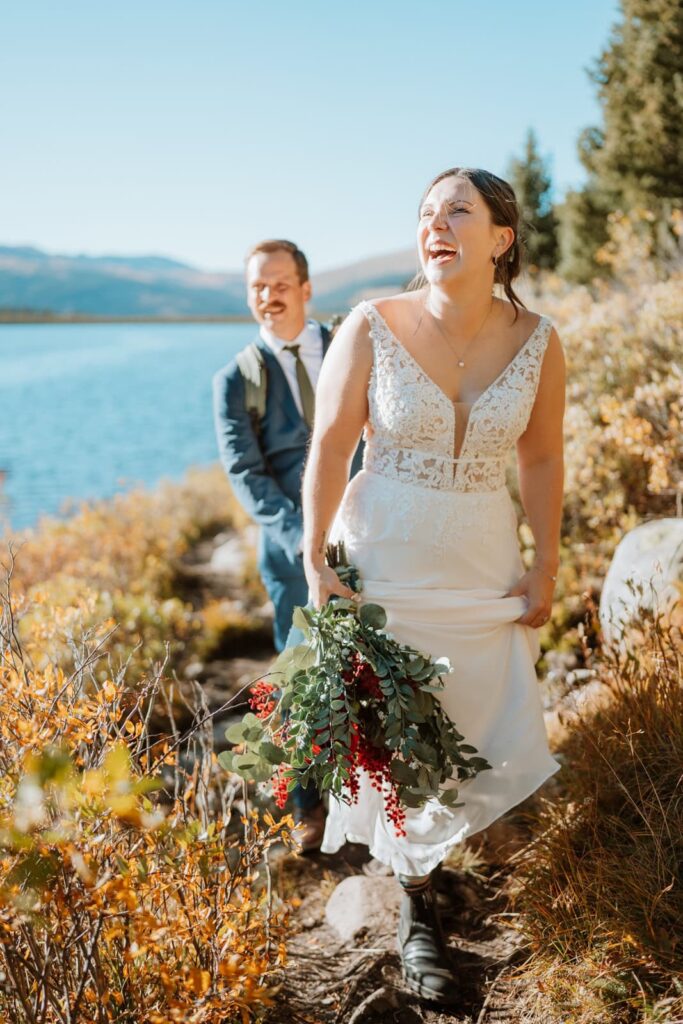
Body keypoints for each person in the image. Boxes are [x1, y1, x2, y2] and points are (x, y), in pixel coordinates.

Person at [301, 168, 565, 1004]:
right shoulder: (372, 325)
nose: (435, 225)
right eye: (425, 213)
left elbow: (541, 457)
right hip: (383, 563)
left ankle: (442, 864)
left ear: (501, 238)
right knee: (394, 729)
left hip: (481, 564)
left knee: (469, 720)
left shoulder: (540, 340)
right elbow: (331, 441)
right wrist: (314, 558)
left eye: (458, 210)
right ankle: (416, 910)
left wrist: (545, 561)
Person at [212, 239, 362, 851]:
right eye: (256, 288)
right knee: (297, 669)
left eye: (279, 284)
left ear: (305, 288)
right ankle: (306, 807)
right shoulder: (235, 380)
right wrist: (308, 538)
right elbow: (246, 474)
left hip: (370, 530)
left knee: (373, 661)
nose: (267, 297)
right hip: (288, 550)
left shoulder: (351, 343)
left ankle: (373, 795)